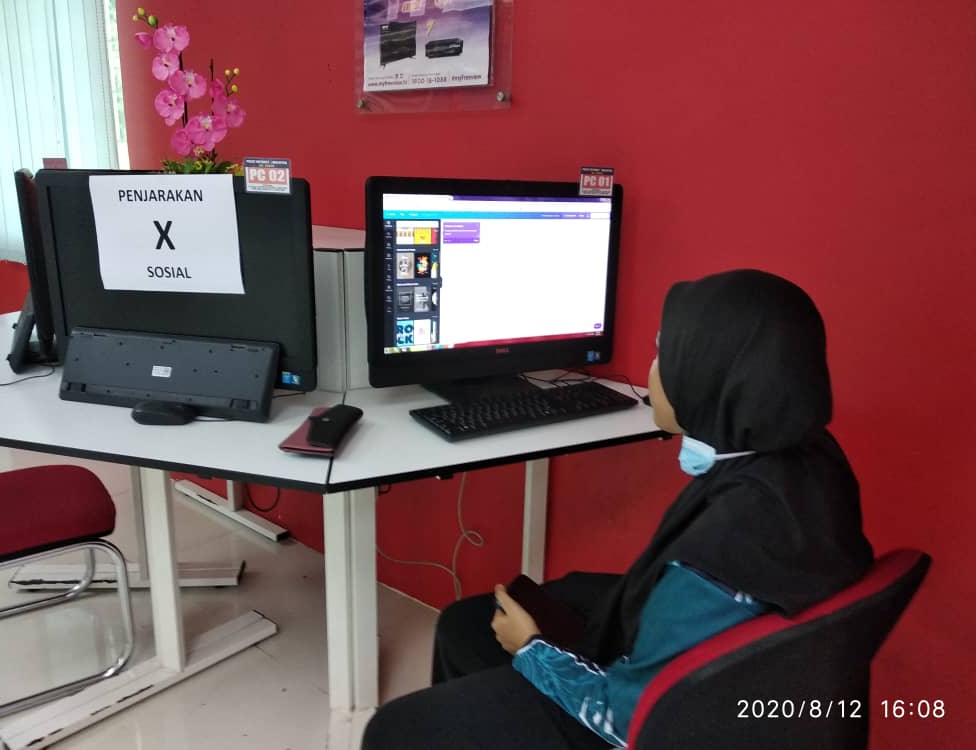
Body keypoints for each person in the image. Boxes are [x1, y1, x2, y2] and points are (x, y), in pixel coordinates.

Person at [362, 269, 873, 750]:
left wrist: (532, 648)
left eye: (664, 356)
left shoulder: (720, 555)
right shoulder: (807, 458)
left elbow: (629, 722)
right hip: (732, 680)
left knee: (396, 727)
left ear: (705, 377)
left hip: (652, 717)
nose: (652, 372)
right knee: (464, 623)